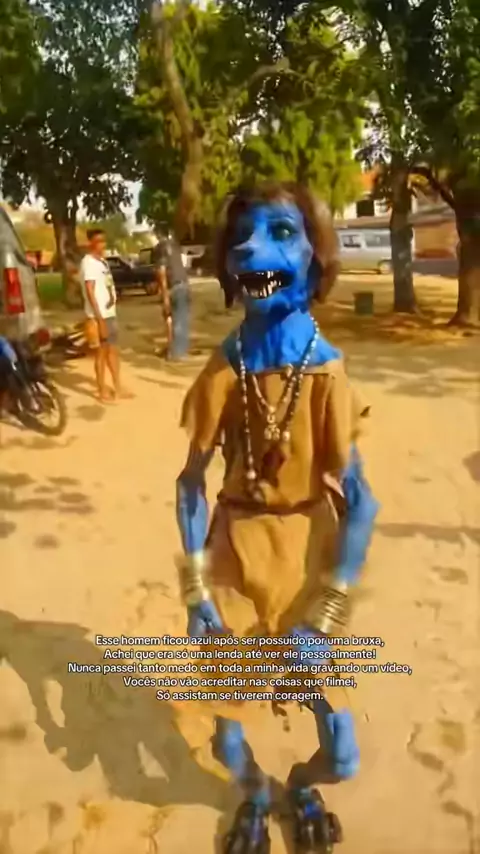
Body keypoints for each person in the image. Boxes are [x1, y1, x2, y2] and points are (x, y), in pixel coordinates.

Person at [172, 182, 379, 853]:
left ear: (316, 257)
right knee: (229, 735)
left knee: (342, 752)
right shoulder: (225, 367)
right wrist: (197, 592)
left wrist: (326, 614)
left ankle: (301, 783)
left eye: (281, 234)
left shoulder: (325, 372)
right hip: (234, 558)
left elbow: (361, 502)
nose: (252, 250)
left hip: (308, 563)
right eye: (241, 240)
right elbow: (189, 487)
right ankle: (257, 797)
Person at [79, 229, 131, 402]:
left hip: (110, 314)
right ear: (91, 243)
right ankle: (102, 389)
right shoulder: (88, 263)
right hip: (99, 316)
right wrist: (99, 319)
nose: (102, 244)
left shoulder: (102, 262)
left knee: (113, 351)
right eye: (98, 241)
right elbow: (90, 291)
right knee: (101, 353)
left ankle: (118, 387)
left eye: (103, 240)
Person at [152, 229, 190, 360]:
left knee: (172, 319)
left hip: (173, 287)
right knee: (181, 320)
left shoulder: (160, 249)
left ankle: (176, 354)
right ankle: (176, 350)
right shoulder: (175, 246)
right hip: (184, 284)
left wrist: (165, 296)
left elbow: (161, 272)